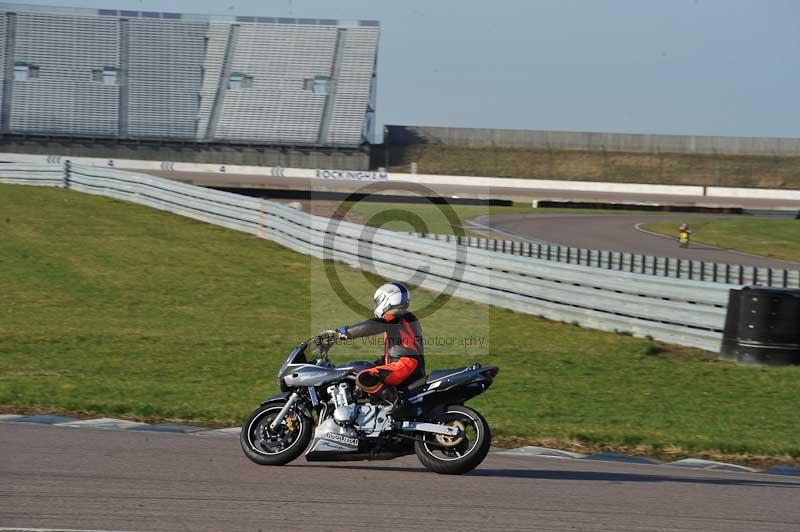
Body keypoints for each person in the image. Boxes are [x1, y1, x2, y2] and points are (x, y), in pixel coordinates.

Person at [322, 282, 425, 395]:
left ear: (386, 299)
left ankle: (395, 403)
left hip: (405, 366)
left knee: (364, 377)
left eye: (378, 301)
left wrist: (340, 333)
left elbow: (372, 326)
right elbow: (400, 349)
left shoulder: (396, 315)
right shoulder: (405, 318)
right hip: (409, 366)